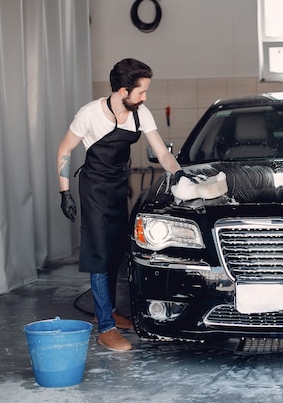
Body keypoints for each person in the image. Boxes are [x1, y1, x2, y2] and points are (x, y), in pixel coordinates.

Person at [57, 58, 190, 351]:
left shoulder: (140, 114)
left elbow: (163, 155)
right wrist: (64, 192)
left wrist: (183, 177)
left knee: (117, 251)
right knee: (99, 254)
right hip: (93, 190)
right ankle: (105, 327)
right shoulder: (89, 114)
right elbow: (65, 149)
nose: (145, 98)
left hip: (118, 188)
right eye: (140, 92)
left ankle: (112, 313)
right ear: (122, 91)